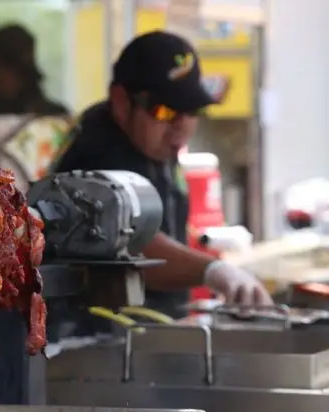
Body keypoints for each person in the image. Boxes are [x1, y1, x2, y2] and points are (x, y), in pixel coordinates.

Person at [51, 31, 271, 318]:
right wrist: (213, 270)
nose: (182, 125)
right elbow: (132, 242)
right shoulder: (99, 152)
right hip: (91, 337)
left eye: (192, 110)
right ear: (121, 101)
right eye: (165, 111)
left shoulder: (154, 143)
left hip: (152, 327)